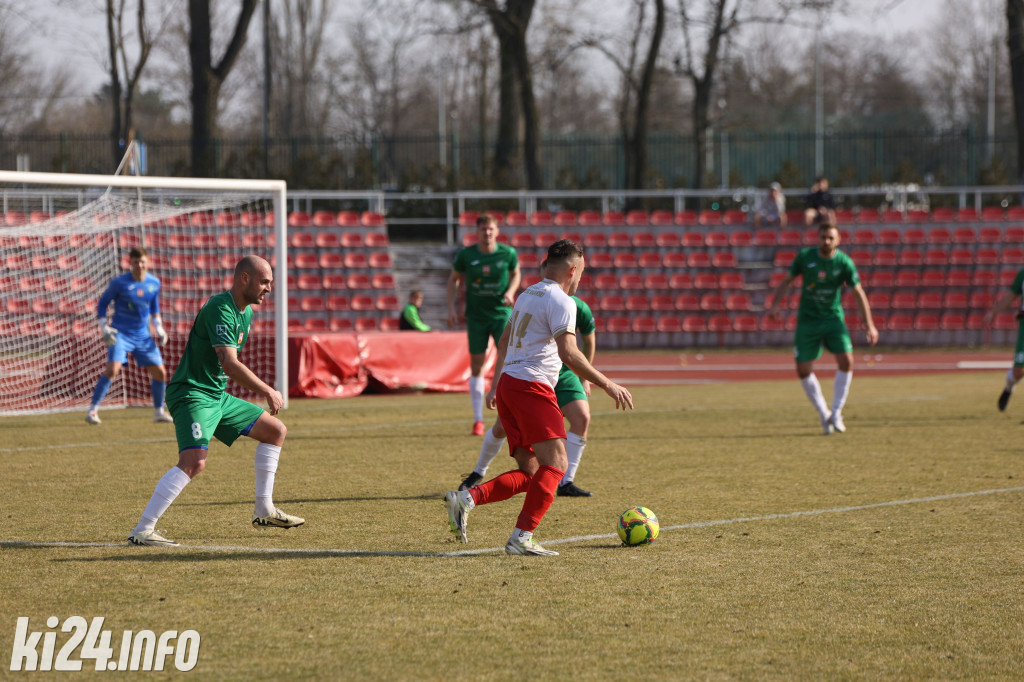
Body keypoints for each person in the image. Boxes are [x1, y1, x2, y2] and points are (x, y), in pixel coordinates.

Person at [444, 239, 633, 556]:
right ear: (573, 270)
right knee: (557, 465)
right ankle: (521, 537)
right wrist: (607, 383)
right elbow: (569, 353)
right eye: (581, 273)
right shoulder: (562, 301)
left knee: (533, 474)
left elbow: (504, 341)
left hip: (510, 386)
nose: (580, 279)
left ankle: (466, 499)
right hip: (531, 388)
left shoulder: (526, 294)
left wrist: (496, 384)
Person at [127, 255, 304, 546]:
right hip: (192, 393)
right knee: (194, 462)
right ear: (244, 278)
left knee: (275, 431)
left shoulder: (245, 312)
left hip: (216, 396)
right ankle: (143, 530)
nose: (269, 289)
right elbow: (230, 363)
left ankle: (264, 509)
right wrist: (268, 390)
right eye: (264, 282)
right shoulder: (220, 309)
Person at [459, 265, 598, 497]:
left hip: (563, 373)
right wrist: (495, 385)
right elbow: (506, 343)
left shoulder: (575, 306)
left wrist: (585, 378)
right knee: (504, 430)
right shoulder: (535, 298)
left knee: (581, 417)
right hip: (531, 377)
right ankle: (478, 472)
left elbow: (588, 343)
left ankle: (566, 483)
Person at [767, 221, 879, 434]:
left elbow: (858, 293)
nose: (826, 241)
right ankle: (823, 413)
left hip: (832, 319)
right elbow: (787, 281)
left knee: (847, 360)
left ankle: (836, 412)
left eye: (830, 237)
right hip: (808, 320)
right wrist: (774, 305)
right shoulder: (805, 257)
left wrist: (870, 325)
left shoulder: (844, 262)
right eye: (823, 237)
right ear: (817, 238)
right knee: (803, 369)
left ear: (838, 240)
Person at [446, 214, 521, 436]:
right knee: (477, 365)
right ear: (477, 232)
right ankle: (478, 419)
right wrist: (451, 308)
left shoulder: (507, 253)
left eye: (490, 229)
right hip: (476, 316)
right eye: (483, 229)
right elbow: (453, 279)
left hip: (501, 312)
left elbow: (516, 273)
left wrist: (510, 291)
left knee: (509, 356)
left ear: (497, 232)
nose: (487, 233)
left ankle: (507, 411)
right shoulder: (466, 255)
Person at [86, 247, 173, 425]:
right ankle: (93, 410)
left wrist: (159, 327)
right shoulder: (119, 283)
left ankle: (158, 412)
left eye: (142, 262)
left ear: (147, 262)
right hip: (121, 334)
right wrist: (104, 328)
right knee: (112, 370)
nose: (139, 265)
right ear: (130, 263)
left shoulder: (154, 283)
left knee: (160, 373)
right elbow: (102, 304)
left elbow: (154, 307)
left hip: (143, 335)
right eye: (135, 262)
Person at [982, 270, 1024, 411]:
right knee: (1019, 371)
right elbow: (1009, 297)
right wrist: (993, 311)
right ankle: (1008, 387)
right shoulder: (1022, 274)